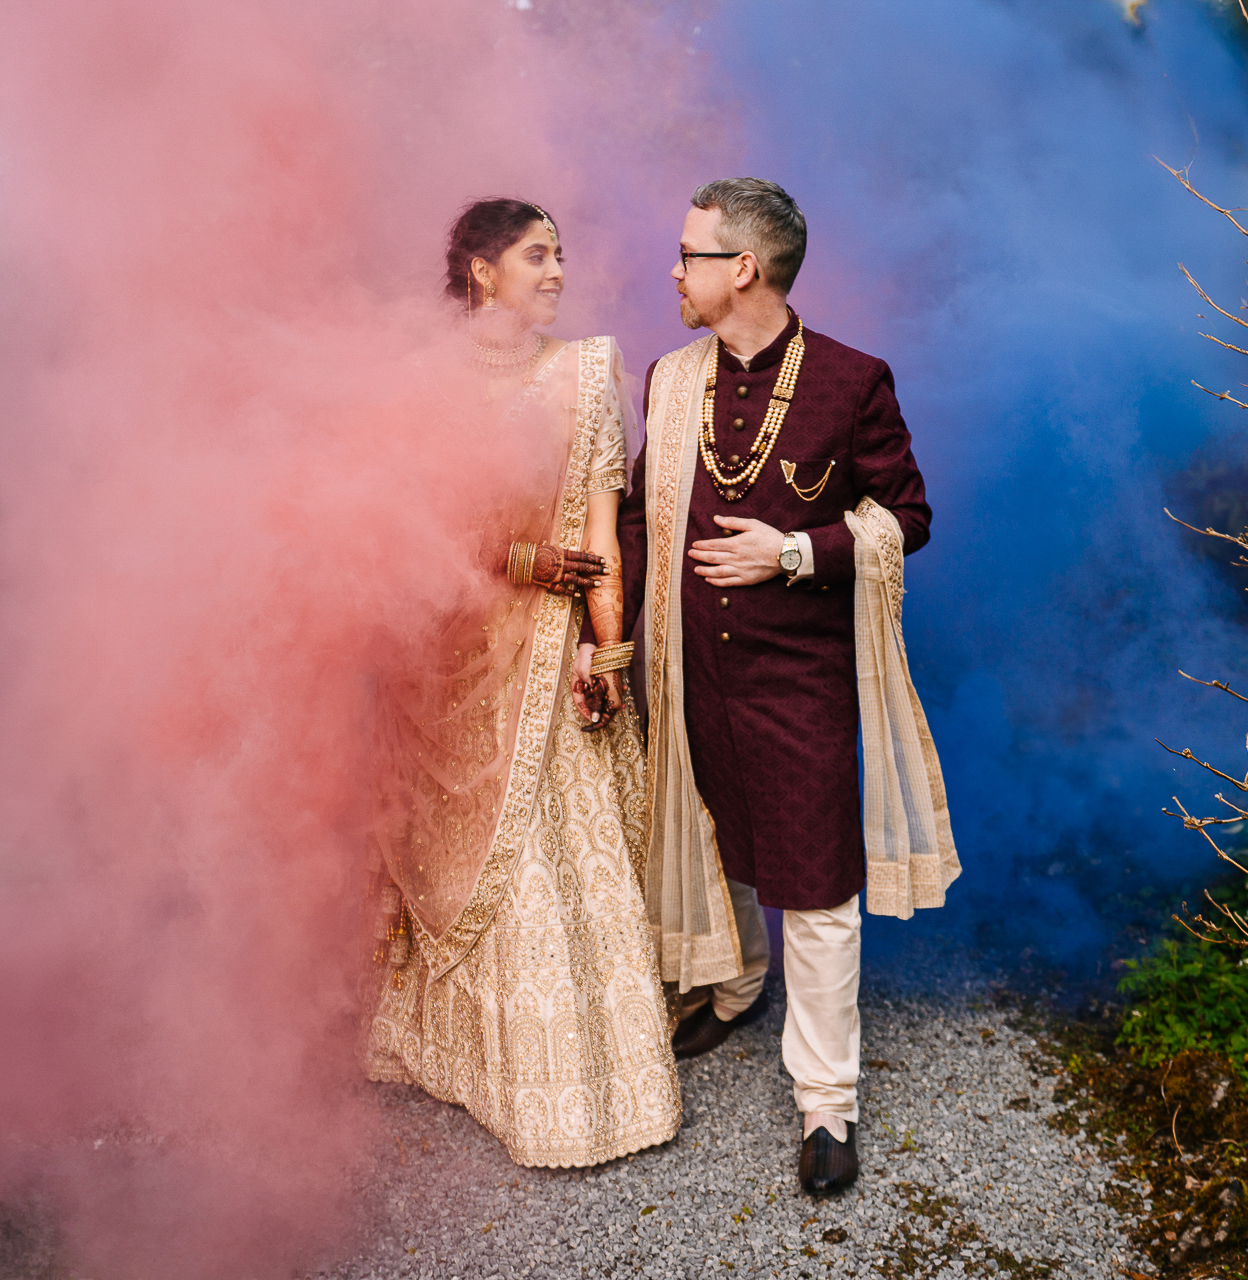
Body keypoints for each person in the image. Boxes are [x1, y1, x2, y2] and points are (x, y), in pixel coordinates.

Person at [621, 178, 959, 1193]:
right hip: (687, 669)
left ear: (743, 269)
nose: (673, 271)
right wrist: (591, 614)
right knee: (710, 835)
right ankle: (734, 985)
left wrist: (797, 554)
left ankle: (827, 1102)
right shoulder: (670, 378)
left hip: (799, 677)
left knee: (814, 883)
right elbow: (643, 512)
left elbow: (909, 516)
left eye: (688, 253)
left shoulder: (853, 381)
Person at [363, 199, 680, 1167]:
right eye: (536, 256)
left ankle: (580, 1095)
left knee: (557, 847)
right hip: (448, 649)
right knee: (451, 846)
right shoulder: (418, 385)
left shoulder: (587, 370)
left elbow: (599, 531)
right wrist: (515, 555)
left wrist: (607, 649)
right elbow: (393, 520)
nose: (556, 272)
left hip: (549, 652)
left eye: (561, 256)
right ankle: (447, 1054)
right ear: (479, 273)